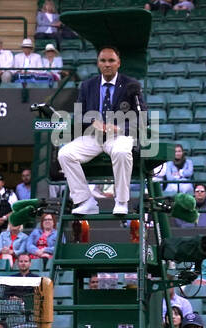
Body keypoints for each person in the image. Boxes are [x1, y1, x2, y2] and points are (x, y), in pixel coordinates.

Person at [57, 46, 144, 217]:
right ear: (98, 64)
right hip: (93, 136)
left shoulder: (131, 85)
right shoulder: (88, 85)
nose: (107, 64)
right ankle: (85, 201)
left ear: (119, 63)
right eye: (103, 61)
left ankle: (121, 201)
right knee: (65, 154)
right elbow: (79, 114)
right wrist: (92, 122)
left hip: (120, 135)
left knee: (120, 151)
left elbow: (142, 117)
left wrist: (120, 128)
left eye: (111, 60)